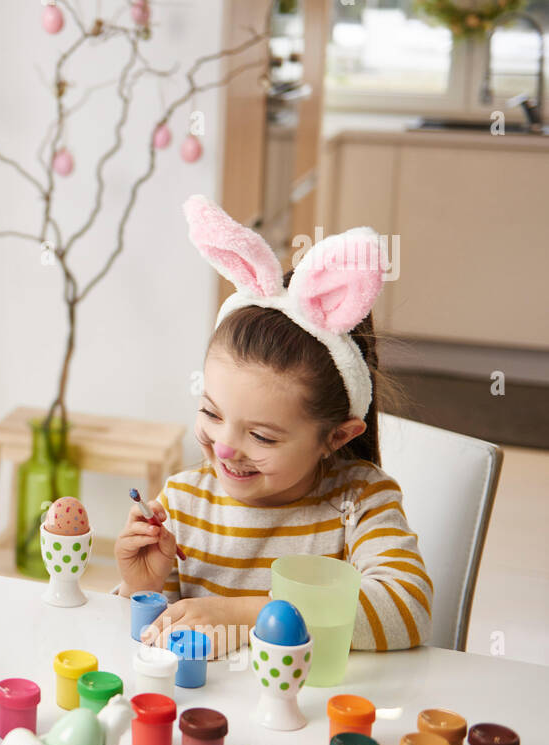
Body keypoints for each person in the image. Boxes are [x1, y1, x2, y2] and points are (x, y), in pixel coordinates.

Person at [116, 195, 431, 656]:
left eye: (261, 436)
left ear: (337, 436)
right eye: (211, 413)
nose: (224, 447)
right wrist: (139, 588)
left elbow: (407, 612)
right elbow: (153, 644)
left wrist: (246, 613)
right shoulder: (183, 504)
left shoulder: (359, 501)